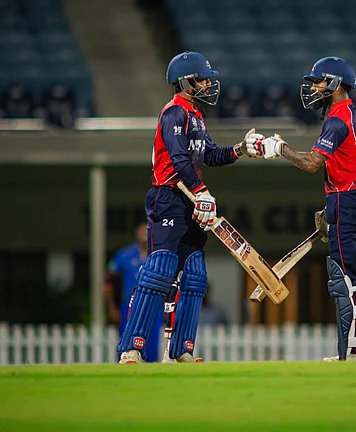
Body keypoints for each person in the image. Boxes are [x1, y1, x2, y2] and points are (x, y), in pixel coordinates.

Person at [116, 51, 264, 363]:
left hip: (191, 199)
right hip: (168, 196)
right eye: (202, 78)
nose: (209, 83)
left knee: (194, 275)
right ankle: (132, 348)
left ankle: (181, 349)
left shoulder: (196, 116)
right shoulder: (173, 113)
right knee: (160, 271)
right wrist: (201, 191)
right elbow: (179, 158)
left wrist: (241, 149)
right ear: (184, 81)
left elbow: (209, 155)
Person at [253, 57, 356, 361]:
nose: (314, 88)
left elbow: (311, 163)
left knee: (347, 277)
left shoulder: (336, 119)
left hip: (349, 200)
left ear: (334, 83)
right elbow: (345, 163)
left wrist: (280, 148)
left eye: (318, 82)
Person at [105, 222, 164, 362]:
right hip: (130, 305)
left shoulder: (159, 255)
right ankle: (124, 369)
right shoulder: (125, 255)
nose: (145, 235)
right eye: (142, 232)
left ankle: (151, 374)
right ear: (136, 234)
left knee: (152, 343)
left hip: (154, 306)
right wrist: (112, 307)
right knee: (126, 341)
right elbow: (108, 280)